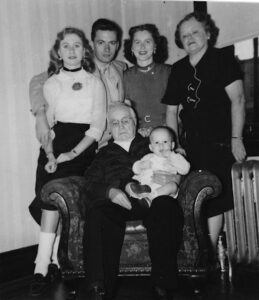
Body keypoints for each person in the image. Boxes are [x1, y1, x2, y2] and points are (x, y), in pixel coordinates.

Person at [162, 11, 247, 258]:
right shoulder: (178, 69)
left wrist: (237, 139)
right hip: (192, 145)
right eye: (184, 35)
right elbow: (171, 111)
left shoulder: (223, 59)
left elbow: (238, 100)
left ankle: (207, 254)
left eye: (195, 32)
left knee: (215, 199)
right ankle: (198, 253)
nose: (189, 38)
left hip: (221, 142)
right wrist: (174, 145)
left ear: (208, 34)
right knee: (194, 198)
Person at [29, 27, 106, 296]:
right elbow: (47, 127)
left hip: (83, 147)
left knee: (69, 204)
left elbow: (97, 127)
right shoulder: (50, 83)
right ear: (58, 53)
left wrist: (72, 155)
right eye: (66, 46)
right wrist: (51, 155)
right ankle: (42, 266)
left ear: (84, 51)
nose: (71, 51)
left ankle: (58, 261)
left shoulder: (95, 83)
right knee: (50, 199)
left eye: (76, 45)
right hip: (55, 145)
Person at [83, 103, 183, 300]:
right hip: (118, 203)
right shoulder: (103, 154)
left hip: (154, 198)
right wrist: (111, 192)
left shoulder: (153, 142)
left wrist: (176, 179)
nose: (120, 126)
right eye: (115, 123)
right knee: (97, 213)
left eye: (125, 121)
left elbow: (179, 161)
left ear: (135, 122)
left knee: (167, 207)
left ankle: (162, 283)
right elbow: (89, 183)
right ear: (109, 128)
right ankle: (99, 287)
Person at [29, 18, 126, 149]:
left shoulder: (121, 68)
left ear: (118, 45)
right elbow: (37, 81)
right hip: (87, 145)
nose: (107, 48)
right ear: (92, 44)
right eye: (101, 42)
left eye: (112, 43)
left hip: (115, 143)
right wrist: (40, 115)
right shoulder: (78, 66)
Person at [123, 23, 171, 137]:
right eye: (137, 42)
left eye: (147, 42)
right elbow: (125, 113)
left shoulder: (169, 72)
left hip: (166, 135)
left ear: (155, 46)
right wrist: (137, 130)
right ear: (132, 48)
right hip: (137, 135)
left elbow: (177, 112)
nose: (142, 47)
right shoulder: (124, 77)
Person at [125, 126, 190, 207]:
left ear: (172, 145)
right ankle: (143, 192)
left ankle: (150, 198)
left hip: (166, 192)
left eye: (165, 141)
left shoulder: (175, 158)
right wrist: (140, 166)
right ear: (151, 147)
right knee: (133, 184)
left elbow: (185, 169)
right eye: (157, 143)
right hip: (147, 186)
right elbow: (135, 169)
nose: (161, 145)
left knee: (173, 186)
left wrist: (171, 155)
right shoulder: (148, 157)